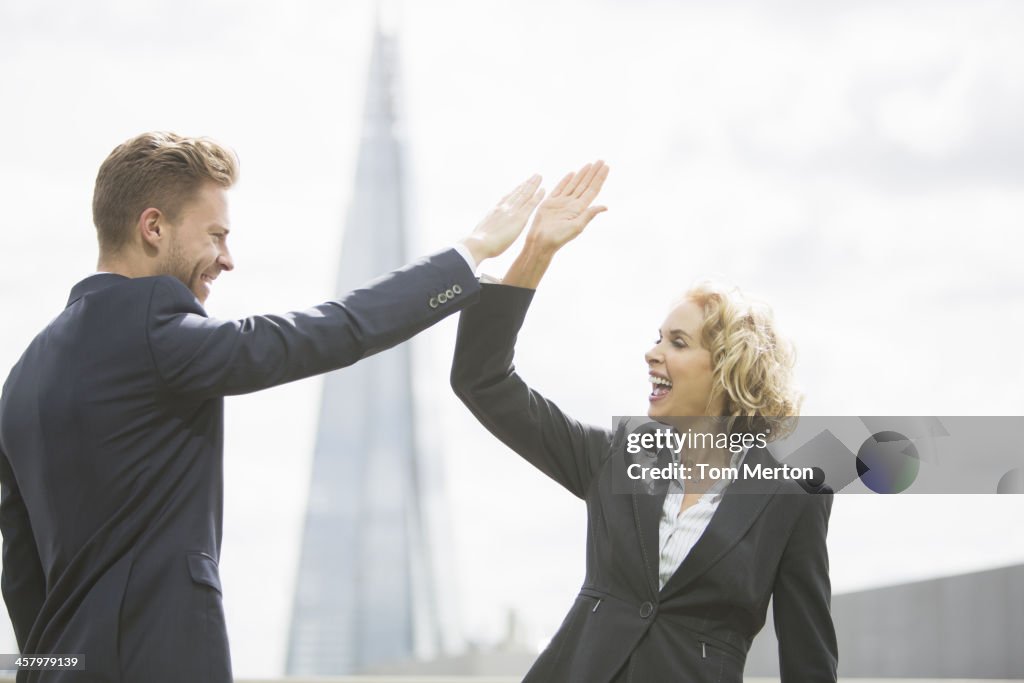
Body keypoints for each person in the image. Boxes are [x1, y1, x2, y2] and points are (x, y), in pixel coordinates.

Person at [0, 131, 548, 682]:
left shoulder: (23, 379)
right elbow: (332, 330)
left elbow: (21, 578)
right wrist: (468, 253)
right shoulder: (155, 336)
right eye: (215, 235)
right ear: (153, 227)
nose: (226, 259)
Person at [450, 161, 838, 682]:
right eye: (658, 337)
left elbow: (808, 660)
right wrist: (536, 252)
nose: (652, 353)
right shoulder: (615, 457)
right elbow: (482, 380)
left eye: (677, 343)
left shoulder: (794, 497)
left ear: (727, 371)